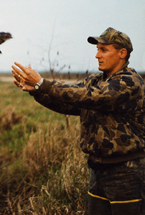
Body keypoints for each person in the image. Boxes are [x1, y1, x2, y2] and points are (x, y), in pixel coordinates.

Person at [12, 27, 145, 214]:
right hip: (97, 170)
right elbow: (70, 104)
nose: (97, 55)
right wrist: (37, 91)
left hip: (126, 172)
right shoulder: (94, 80)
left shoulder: (130, 82)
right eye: (97, 50)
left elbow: (91, 97)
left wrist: (43, 83)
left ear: (122, 53)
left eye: (103, 50)